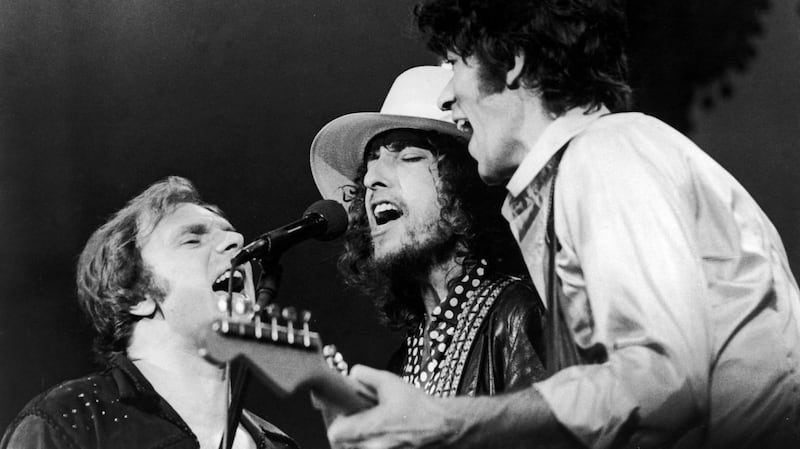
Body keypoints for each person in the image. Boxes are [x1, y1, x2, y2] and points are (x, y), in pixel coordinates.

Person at [325, 1, 800, 448]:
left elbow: (662, 384)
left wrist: (445, 422)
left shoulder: (603, 154)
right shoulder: (584, 172)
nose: (448, 94)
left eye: (456, 62)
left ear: (509, 61)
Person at [0, 176, 298, 449]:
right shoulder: (70, 421)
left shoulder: (278, 444)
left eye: (231, 235)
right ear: (136, 296)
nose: (236, 242)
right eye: (192, 239)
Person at [310, 65, 546, 399]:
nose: (370, 180)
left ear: (463, 182)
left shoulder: (519, 316)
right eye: (371, 163)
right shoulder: (399, 367)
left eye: (407, 157)